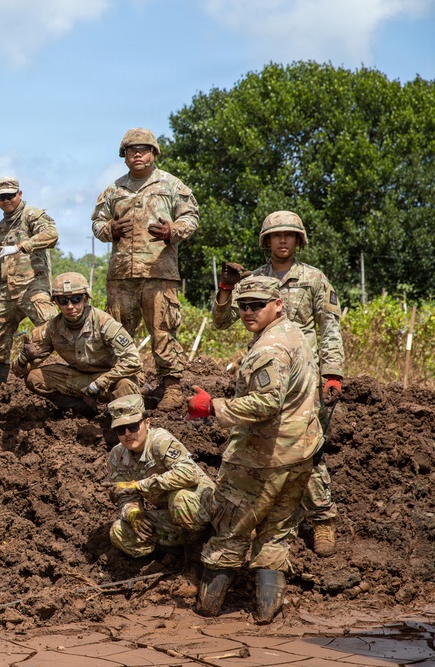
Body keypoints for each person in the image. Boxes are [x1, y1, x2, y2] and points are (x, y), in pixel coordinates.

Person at [188, 276, 322, 623]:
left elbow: (265, 404)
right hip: (300, 453)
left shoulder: (269, 348)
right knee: (276, 534)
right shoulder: (297, 334)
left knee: (230, 529)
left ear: (278, 304)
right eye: (243, 306)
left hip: (262, 459)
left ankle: (208, 609)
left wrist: (212, 407)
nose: (248, 312)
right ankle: (266, 613)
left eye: (256, 305)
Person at [212, 211, 344, 557]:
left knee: (308, 448)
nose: (282, 241)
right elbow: (223, 322)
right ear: (266, 241)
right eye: (275, 236)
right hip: (263, 377)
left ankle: (322, 520)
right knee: (252, 444)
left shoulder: (314, 279)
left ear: (298, 240)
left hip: (302, 381)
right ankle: (256, 515)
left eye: (289, 235)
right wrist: (226, 288)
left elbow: (330, 326)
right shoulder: (253, 280)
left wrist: (333, 373)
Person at [91, 128, 199, 410]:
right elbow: (97, 224)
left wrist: (172, 230)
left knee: (163, 330)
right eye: (131, 150)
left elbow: (191, 217)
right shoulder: (113, 190)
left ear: (154, 154)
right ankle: (127, 384)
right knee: (118, 333)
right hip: (121, 276)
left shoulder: (172, 186)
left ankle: (171, 387)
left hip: (159, 272)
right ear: (124, 156)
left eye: (143, 149)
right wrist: (109, 229)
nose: (137, 154)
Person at [12, 272, 141, 413]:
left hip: (110, 378)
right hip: (78, 378)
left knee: (125, 387)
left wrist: (100, 383)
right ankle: (79, 407)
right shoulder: (52, 328)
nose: (70, 306)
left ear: (85, 299)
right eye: (63, 301)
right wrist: (23, 358)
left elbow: (133, 360)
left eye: (76, 299)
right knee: (34, 378)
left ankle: (128, 414)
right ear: (56, 303)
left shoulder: (104, 323)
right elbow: (19, 372)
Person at [106, 394, 213, 558]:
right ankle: (171, 555)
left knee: (180, 499)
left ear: (147, 423)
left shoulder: (159, 440)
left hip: (205, 509)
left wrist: (140, 485)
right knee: (119, 531)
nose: (128, 434)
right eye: (121, 430)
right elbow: (125, 495)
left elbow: (189, 474)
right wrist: (133, 513)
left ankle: (200, 552)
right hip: (175, 518)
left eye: (133, 427)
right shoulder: (117, 456)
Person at [0, 176, 58, 385]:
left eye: (10, 195)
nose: (6, 200)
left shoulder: (32, 215)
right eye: (1, 197)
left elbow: (51, 234)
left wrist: (21, 246)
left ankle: (67, 376)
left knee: (55, 328)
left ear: (19, 194)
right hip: (8, 291)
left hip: (34, 287)